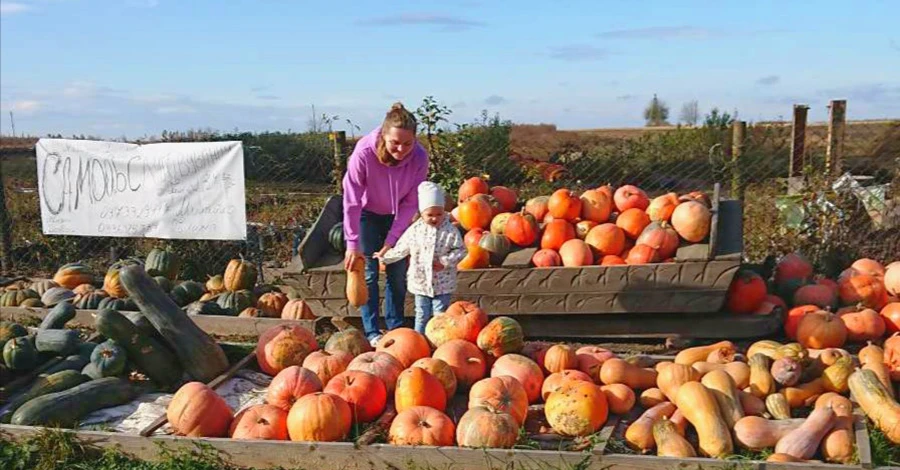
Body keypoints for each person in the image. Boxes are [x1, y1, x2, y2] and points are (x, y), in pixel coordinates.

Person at [342, 102, 429, 346]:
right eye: (395, 143)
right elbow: (351, 200)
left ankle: (395, 327)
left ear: (415, 140)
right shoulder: (364, 152)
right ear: (383, 135)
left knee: (397, 273)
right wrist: (352, 243)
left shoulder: (420, 158)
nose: (401, 149)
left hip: (398, 216)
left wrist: (392, 241)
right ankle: (371, 331)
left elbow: (412, 203)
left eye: (407, 144)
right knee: (368, 273)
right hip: (367, 214)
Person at [376, 181, 466, 334]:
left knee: (440, 314)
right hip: (421, 281)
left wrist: (445, 262)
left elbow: (461, 250)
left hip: (443, 281)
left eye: (439, 214)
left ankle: (439, 341)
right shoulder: (415, 230)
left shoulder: (450, 231)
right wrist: (385, 257)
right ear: (421, 213)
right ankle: (419, 339)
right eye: (429, 215)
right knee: (421, 314)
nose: (434, 218)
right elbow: (402, 248)